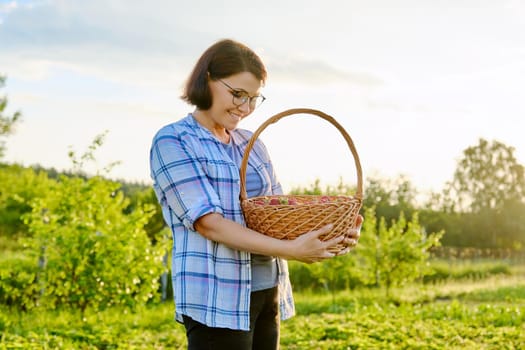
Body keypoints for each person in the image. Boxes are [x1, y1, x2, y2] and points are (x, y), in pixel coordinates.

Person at [149, 38, 363, 350]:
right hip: (218, 296)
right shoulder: (174, 140)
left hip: (267, 288)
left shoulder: (251, 144)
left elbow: (284, 214)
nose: (245, 107)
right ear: (206, 78)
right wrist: (290, 250)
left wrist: (335, 234)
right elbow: (209, 223)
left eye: (253, 99)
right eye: (237, 94)